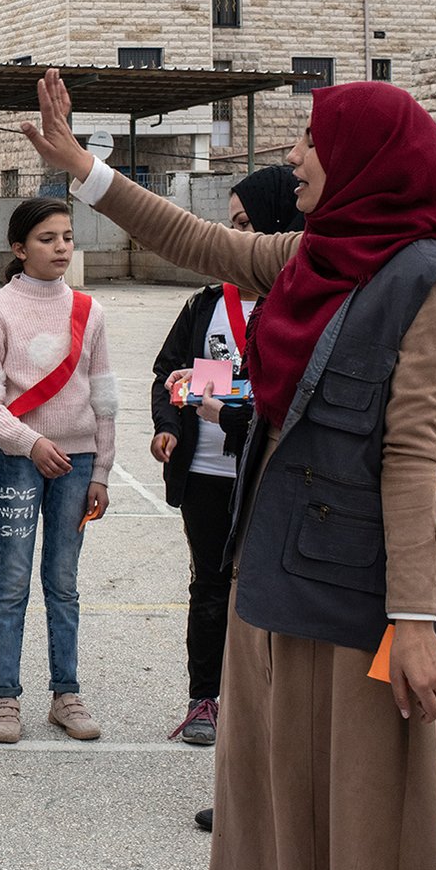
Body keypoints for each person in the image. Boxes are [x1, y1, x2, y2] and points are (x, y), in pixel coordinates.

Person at [23, 69, 436, 870]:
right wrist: (84, 168)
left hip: (361, 606)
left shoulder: (431, 290)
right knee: (264, 803)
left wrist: (415, 622)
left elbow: (415, 456)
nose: (294, 153)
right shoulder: (322, 255)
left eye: (312, 139)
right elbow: (200, 241)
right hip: (271, 577)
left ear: (365, 157)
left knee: (363, 819)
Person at [151, 165, 303, 750]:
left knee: (266, 594)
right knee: (209, 586)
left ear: (277, 226)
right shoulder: (207, 304)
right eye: (231, 224)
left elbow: (278, 399)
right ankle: (204, 699)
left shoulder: (299, 307)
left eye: (244, 225)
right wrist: (172, 421)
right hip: (207, 474)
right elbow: (171, 373)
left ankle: (264, 709)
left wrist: (229, 410)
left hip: (265, 472)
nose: (234, 237)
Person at [0, 197, 116, 746]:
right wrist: (28, 444)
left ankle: (66, 695)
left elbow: (103, 397)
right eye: (47, 238)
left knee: (63, 580)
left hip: (77, 466)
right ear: (18, 247)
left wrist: (101, 469)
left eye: (67, 237)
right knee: (12, 579)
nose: (60, 248)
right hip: (18, 465)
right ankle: (5, 698)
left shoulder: (89, 311)